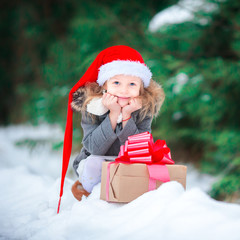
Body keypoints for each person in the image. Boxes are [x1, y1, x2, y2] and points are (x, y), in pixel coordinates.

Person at [58, 45, 165, 211]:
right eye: (116, 82)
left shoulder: (143, 109)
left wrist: (128, 116)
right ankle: (90, 193)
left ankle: (129, 195)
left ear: (141, 88)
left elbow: (140, 150)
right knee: (94, 163)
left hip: (126, 164)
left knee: (148, 168)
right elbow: (94, 148)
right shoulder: (92, 106)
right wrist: (113, 115)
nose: (124, 90)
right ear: (104, 85)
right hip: (96, 163)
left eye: (132, 84)